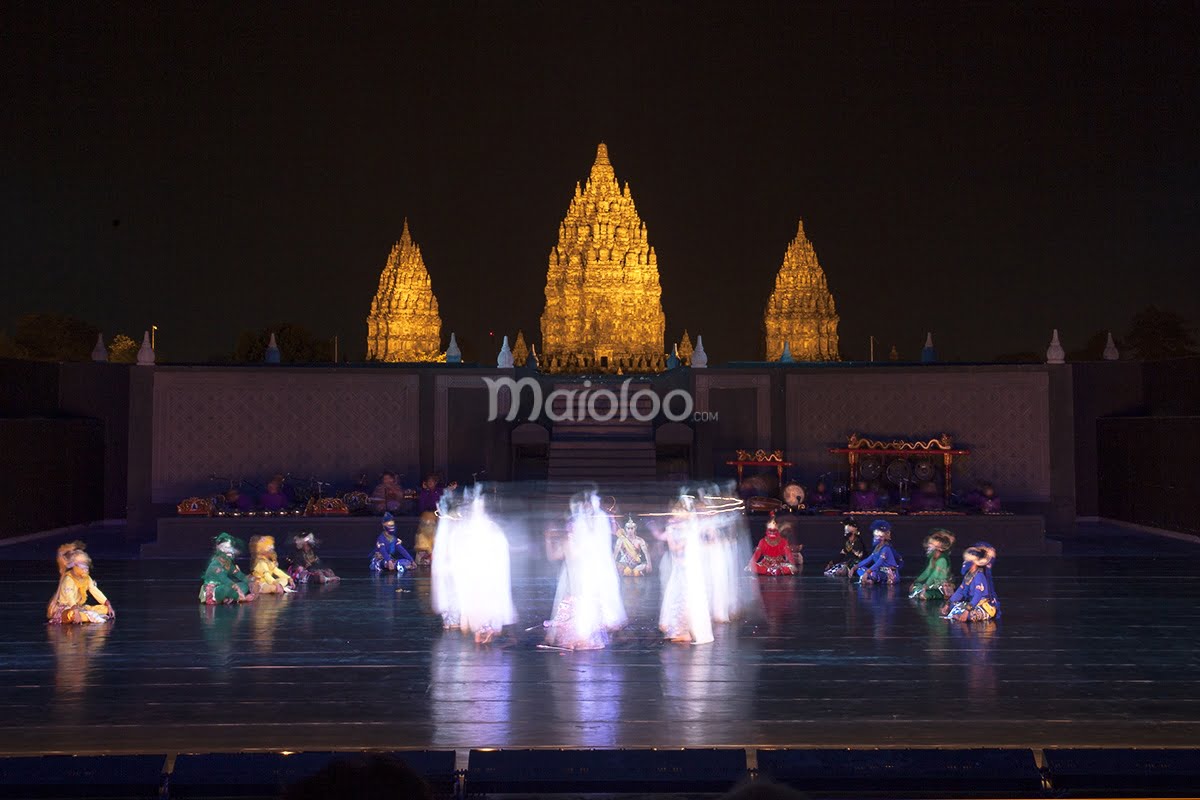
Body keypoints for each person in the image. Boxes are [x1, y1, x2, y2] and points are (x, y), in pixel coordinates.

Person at [47, 549, 113, 624]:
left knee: (105, 609)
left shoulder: (87, 578)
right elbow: (70, 597)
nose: (86, 569)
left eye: (86, 566)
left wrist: (108, 604)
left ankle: (85, 615)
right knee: (72, 615)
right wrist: (75, 611)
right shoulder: (69, 579)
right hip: (68, 609)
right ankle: (84, 616)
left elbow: (95, 591)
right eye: (83, 566)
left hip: (79, 607)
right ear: (75, 566)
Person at [944, 542, 1000, 622]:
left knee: (972, 615)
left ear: (974, 563)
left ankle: (964, 616)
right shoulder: (968, 576)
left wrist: (967, 611)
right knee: (953, 606)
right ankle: (960, 614)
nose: (965, 563)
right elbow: (960, 592)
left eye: (967, 561)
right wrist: (948, 604)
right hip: (972, 604)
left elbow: (977, 596)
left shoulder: (979, 576)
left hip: (983, 605)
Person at [199, 533, 255, 605]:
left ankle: (229, 598)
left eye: (230, 547)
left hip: (226, 586)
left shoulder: (227, 563)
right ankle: (239, 598)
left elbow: (238, 574)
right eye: (226, 548)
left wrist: (250, 581)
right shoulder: (216, 563)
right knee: (226, 588)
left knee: (244, 585)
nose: (230, 550)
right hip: (214, 591)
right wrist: (237, 589)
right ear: (220, 549)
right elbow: (224, 579)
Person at [909, 529, 956, 599]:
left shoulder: (942, 559)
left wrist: (926, 585)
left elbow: (935, 575)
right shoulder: (933, 558)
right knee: (915, 588)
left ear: (938, 547)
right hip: (932, 583)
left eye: (931, 544)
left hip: (940, 584)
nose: (929, 546)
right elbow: (927, 572)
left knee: (924, 594)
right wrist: (916, 581)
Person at [855, 519, 903, 585]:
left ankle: (873, 579)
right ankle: (871, 579)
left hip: (887, 573)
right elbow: (868, 560)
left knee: (874, 573)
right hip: (879, 571)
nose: (874, 538)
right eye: (875, 536)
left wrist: (867, 572)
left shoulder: (886, 548)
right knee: (860, 569)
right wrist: (855, 567)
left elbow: (879, 562)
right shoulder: (876, 549)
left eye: (877, 536)